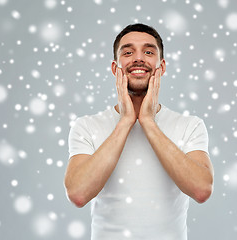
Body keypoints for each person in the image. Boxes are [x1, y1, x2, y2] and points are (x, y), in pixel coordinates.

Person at [64, 23, 214, 240]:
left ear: (161, 67)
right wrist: (126, 121)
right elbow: (77, 194)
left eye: (148, 52)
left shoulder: (190, 125)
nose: (138, 58)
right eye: (127, 52)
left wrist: (147, 122)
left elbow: (201, 190)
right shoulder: (87, 126)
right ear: (115, 68)